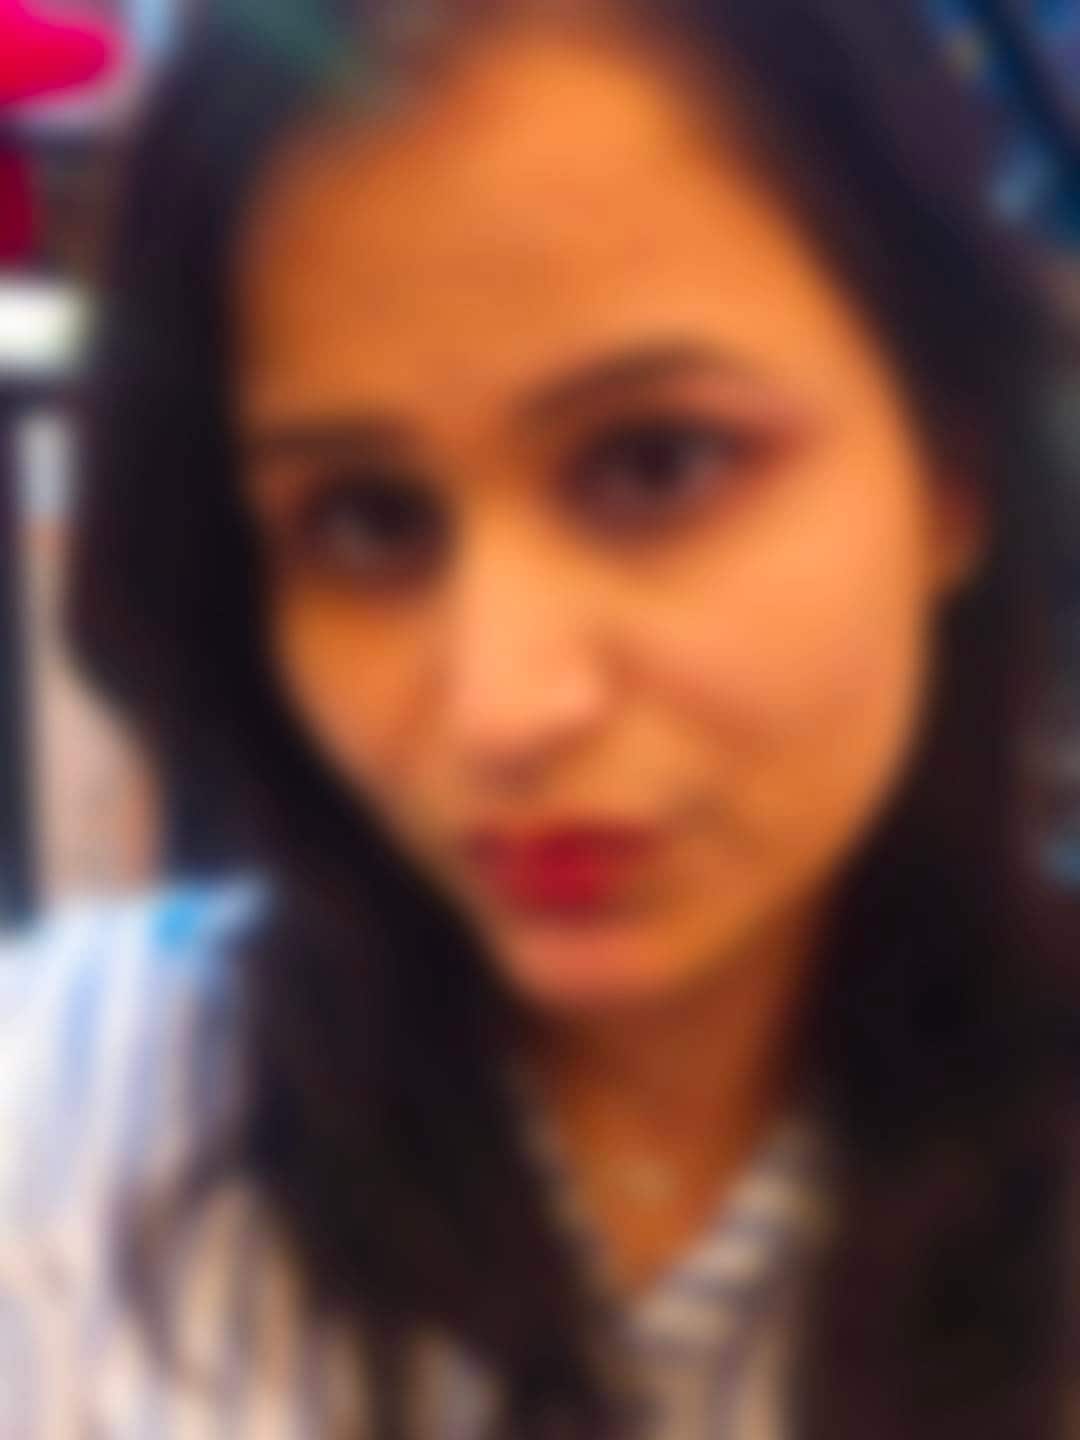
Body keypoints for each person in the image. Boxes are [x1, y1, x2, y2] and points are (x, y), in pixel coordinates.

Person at [2, 1, 1079, 1436]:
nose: (504, 710)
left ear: (952, 471)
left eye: (657, 465)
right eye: (367, 522)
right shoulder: (71, 1127)